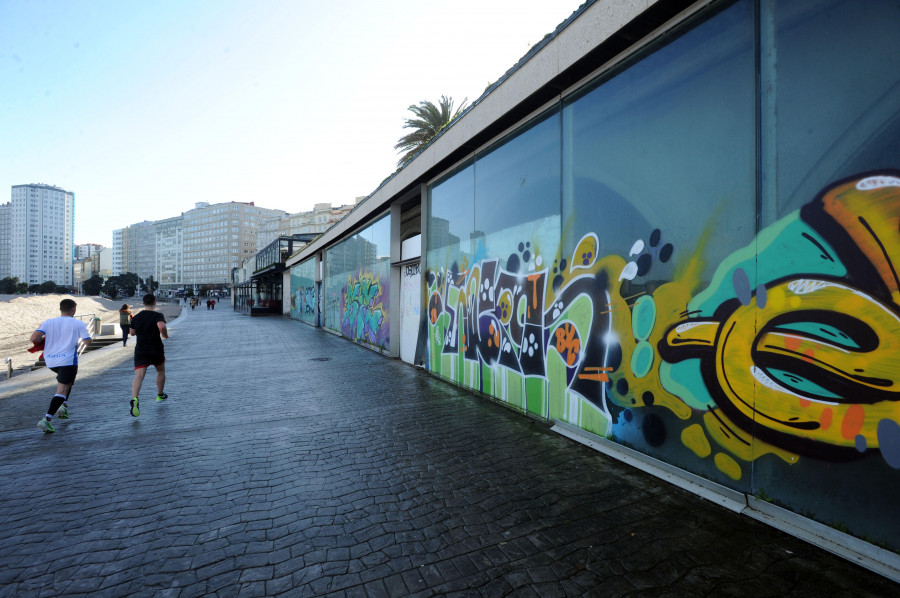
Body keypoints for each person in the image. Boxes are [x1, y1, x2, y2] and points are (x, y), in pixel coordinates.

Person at [32, 298, 92, 433]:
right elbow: (87, 341)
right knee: (62, 390)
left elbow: (34, 338)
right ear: (73, 309)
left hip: (51, 361)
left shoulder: (48, 322)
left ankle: (63, 406)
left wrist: (48, 340)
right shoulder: (78, 323)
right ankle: (46, 419)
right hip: (67, 361)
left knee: (69, 381)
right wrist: (88, 339)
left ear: (61, 309)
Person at [129, 293, 169, 417]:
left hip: (141, 349)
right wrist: (165, 334)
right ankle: (160, 395)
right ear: (155, 302)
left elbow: (132, 332)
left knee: (139, 376)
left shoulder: (136, 317)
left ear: (143, 303)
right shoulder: (158, 315)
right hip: (156, 348)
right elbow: (161, 326)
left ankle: (135, 398)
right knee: (160, 371)